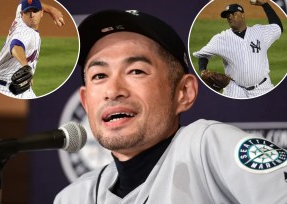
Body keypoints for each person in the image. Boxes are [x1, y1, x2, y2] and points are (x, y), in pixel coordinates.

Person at [54, 9, 287, 204]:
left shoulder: (205, 146)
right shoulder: (74, 197)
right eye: (99, 75)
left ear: (183, 92)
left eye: (136, 71)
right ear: (85, 102)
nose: (113, 91)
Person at [193, 0, 283, 99]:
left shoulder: (259, 32)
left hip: (262, 87)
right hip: (235, 90)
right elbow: (203, 55)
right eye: (227, 15)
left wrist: (265, 5)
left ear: (242, 15)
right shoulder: (221, 38)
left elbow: (277, 27)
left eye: (233, 13)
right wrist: (203, 70)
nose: (230, 17)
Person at [0, 0, 65, 99]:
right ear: (22, 14)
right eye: (28, 12)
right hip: (4, 88)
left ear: (41, 13)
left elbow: (25, 3)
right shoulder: (26, 32)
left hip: (19, 87)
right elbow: (16, 45)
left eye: (35, 11)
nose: (31, 15)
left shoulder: (19, 16)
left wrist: (51, 9)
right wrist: (25, 67)